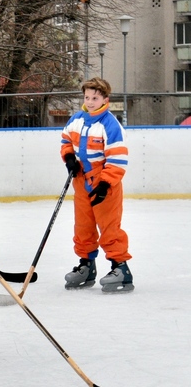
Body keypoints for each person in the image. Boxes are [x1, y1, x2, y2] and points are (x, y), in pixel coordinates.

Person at [61, 77, 133, 293]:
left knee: (109, 227)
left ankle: (121, 268)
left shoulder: (110, 124)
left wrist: (105, 184)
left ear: (105, 99)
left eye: (95, 98)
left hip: (103, 182)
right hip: (81, 181)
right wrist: (69, 159)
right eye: (87, 97)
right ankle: (86, 266)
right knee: (83, 226)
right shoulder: (76, 120)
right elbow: (66, 141)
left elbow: (118, 158)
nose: (90, 102)